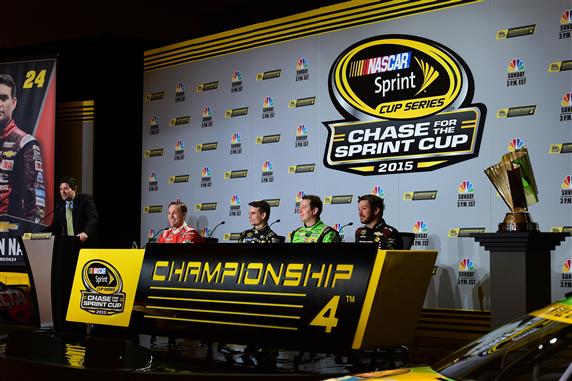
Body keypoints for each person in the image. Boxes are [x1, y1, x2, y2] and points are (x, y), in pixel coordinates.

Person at [0, 73, 45, 222]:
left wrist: (30, 239)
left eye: (3, 98)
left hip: (9, 235)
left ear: (13, 103)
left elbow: (35, 203)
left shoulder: (25, 143)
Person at [46, 176, 98, 244]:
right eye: (61, 189)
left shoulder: (85, 199)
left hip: (85, 242)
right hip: (68, 244)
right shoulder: (60, 205)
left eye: (66, 189)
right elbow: (55, 226)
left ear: (75, 189)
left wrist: (86, 233)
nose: (62, 192)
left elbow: (93, 218)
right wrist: (39, 234)